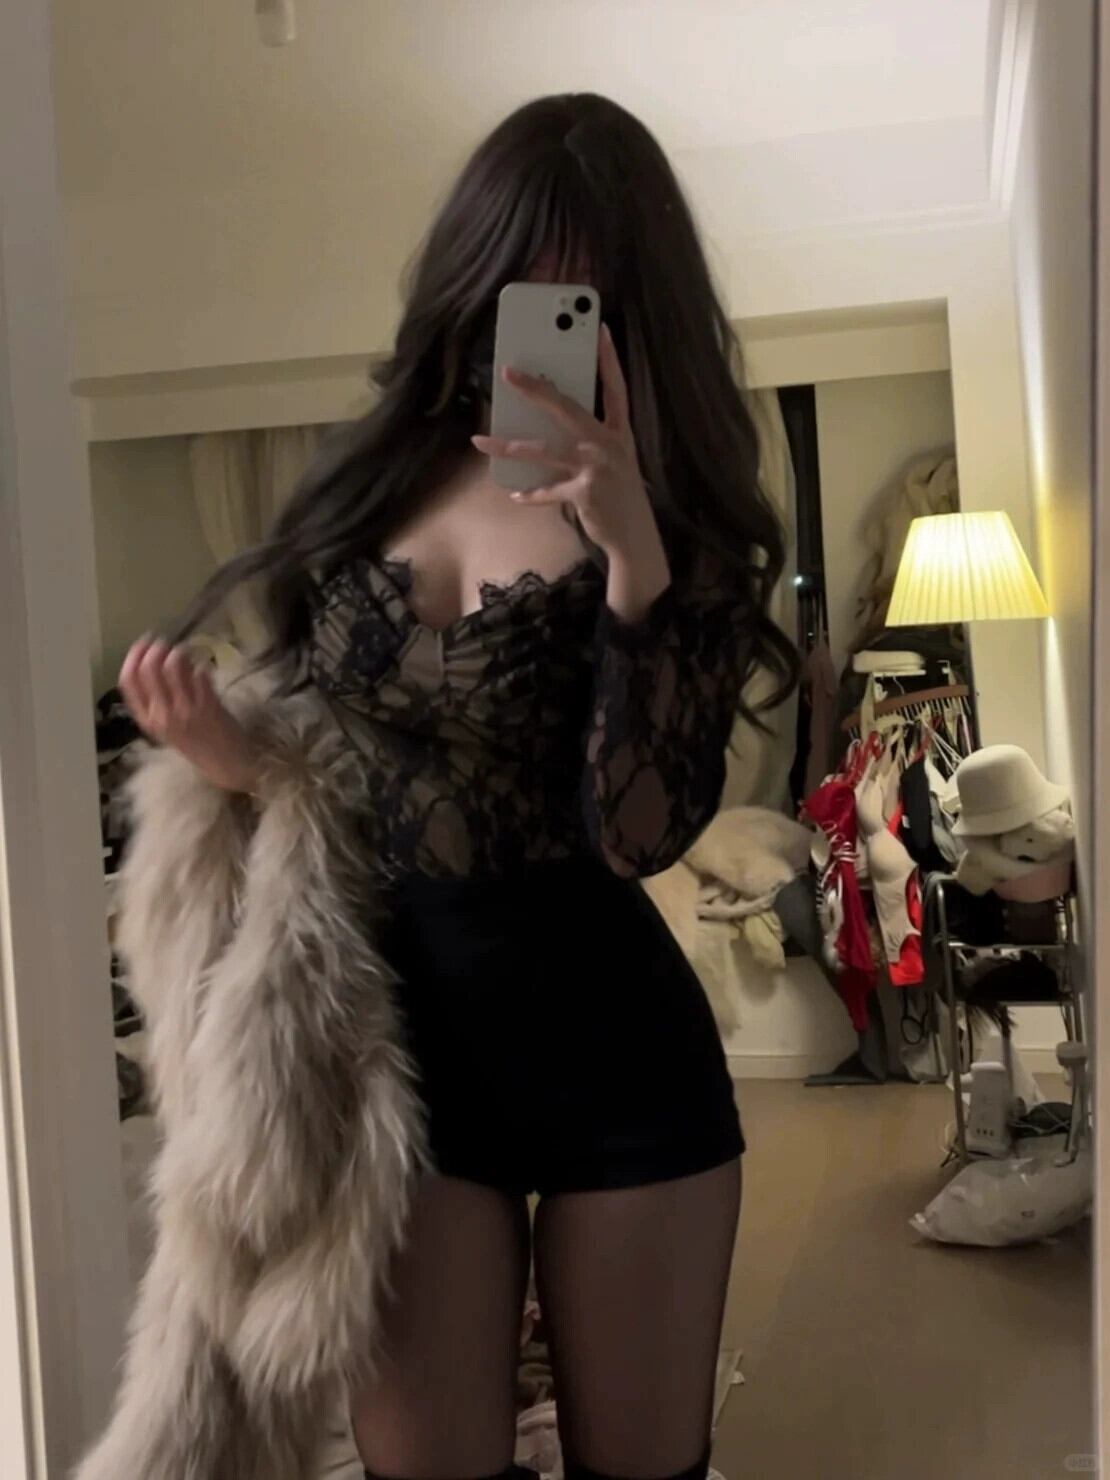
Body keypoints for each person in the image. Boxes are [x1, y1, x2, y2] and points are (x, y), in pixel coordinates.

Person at [118, 93, 796, 1480]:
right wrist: (234, 763)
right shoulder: (375, 482)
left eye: (576, 291)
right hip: (400, 1077)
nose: (527, 314)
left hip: (622, 1064)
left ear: (633, 311)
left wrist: (631, 557)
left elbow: (641, 835)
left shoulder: (678, 521)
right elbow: (348, 768)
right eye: (510, 273)